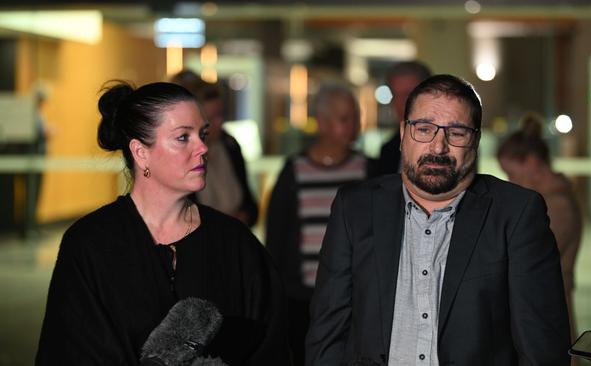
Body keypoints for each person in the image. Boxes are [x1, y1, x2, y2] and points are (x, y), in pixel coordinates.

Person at [305, 74, 570, 365]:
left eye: (456, 132)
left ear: (476, 140)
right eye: (424, 129)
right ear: (404, 133)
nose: (438, 146)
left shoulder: (517, 214)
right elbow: (327, 333)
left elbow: (541, 351)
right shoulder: (354, 208)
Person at [35, 81, 289, 365]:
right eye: (183, 137)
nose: (203, 147)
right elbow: (68, 351)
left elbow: (273, 345)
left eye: (203, 134)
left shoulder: (235, 243)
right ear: (140, 151)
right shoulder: (90, 245)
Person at [266, 83, 375, 366]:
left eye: (354, 117)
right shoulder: (295, 170)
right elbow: (276, 238)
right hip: (303, 300)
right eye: (344, 119)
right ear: (323, 123)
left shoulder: (369, 170)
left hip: (357, 299)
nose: (353, 126)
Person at [497, 112, 582, 342]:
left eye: (511, 173)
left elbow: (524, 260)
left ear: (533, 163)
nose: (509, 182)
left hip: (545, 320)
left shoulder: (556, 206)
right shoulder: (550, 200)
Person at [171, 70, 259, 227]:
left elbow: (250, 204)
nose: (220, 122)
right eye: (212, 118)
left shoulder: (229, 145)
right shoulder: (178, 154)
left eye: (221, 114)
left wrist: (242, 219)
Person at [377, 60, 432, 175]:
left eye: (409, 94)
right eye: (396, 95)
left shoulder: (450, 143)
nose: (401, 103)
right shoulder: (388, 150)